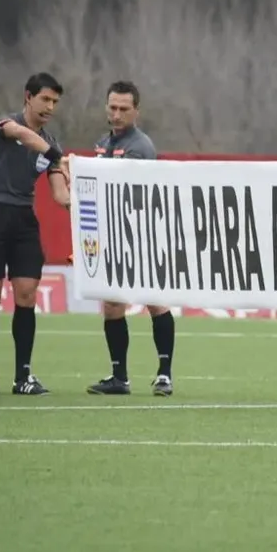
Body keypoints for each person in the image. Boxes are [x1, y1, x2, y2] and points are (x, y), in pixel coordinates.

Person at [0, 72, 71, 396]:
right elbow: (22, 135)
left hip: (23, 219)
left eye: (55, 102)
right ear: (28, 97)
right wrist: (54, 155)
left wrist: (81, 203)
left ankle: (23, 376)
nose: (50, 107)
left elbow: (60, 194)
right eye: (45, 99)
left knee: (27, 294)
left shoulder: (53, 146)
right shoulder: (5, 125)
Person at [85, 81, 176, 398]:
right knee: (112, 305)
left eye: (124, 108)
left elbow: (122, 188)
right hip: (111, 235)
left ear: (136, 111)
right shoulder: (101, 143)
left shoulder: (141, 146)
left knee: (154, 301)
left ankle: (164, 374)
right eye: (112, 107)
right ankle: (119, 377)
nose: (117, 114)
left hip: (141, 234)